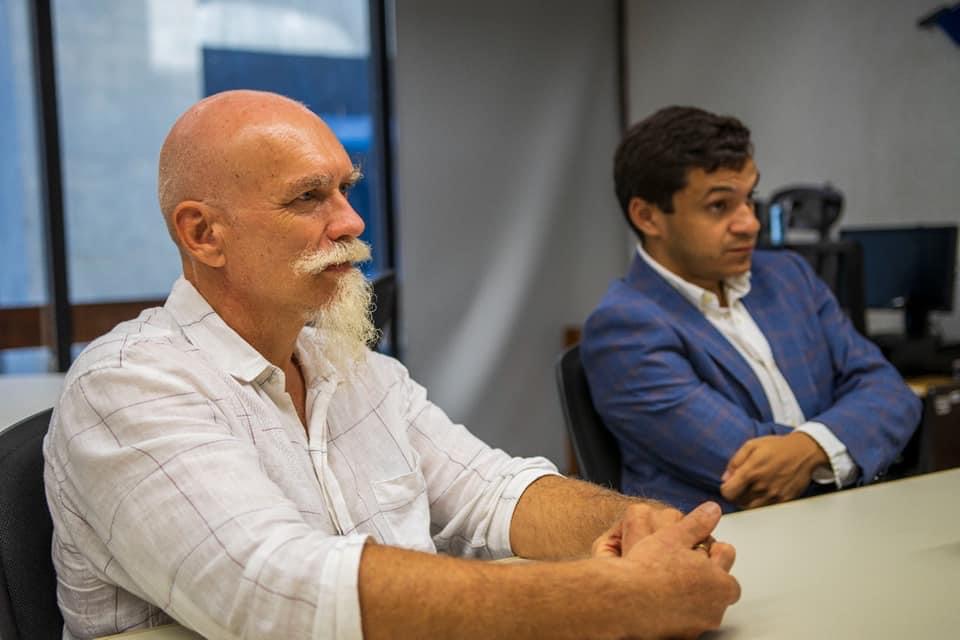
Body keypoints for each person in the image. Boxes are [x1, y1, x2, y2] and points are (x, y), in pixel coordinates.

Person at [43, 91, 739, 640]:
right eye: (308, 197)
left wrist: (641, 527)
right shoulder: (128, 386)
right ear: (203, 234)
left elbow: (492, 493)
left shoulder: (350, 366)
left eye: (345, 190)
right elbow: (275, 593)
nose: (351, 222)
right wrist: (613, 597)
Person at [581, 105, 921, 513]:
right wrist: (848, 438)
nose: (750, 223)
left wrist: (809, 447)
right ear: (648, 217)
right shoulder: (623, 328)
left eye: (750, 198)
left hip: (841, 518)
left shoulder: (789, 275)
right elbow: (748, 469)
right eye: (719, 206)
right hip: (726, 541)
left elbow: (891, 392)